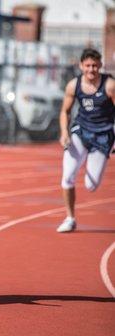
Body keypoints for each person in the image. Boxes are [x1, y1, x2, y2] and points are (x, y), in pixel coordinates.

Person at [57, 48, 115, 233]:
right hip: (81, 132)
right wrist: (64, 132)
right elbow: (65, 112)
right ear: (81, 66)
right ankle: (70, 218)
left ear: (100, 66)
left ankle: (94, 161)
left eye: (95, 66)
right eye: (88, 66)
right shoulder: (73, 85)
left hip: (103, 135)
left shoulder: (109, 85)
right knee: (67, 177)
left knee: (91, 186)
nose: (91, 70)